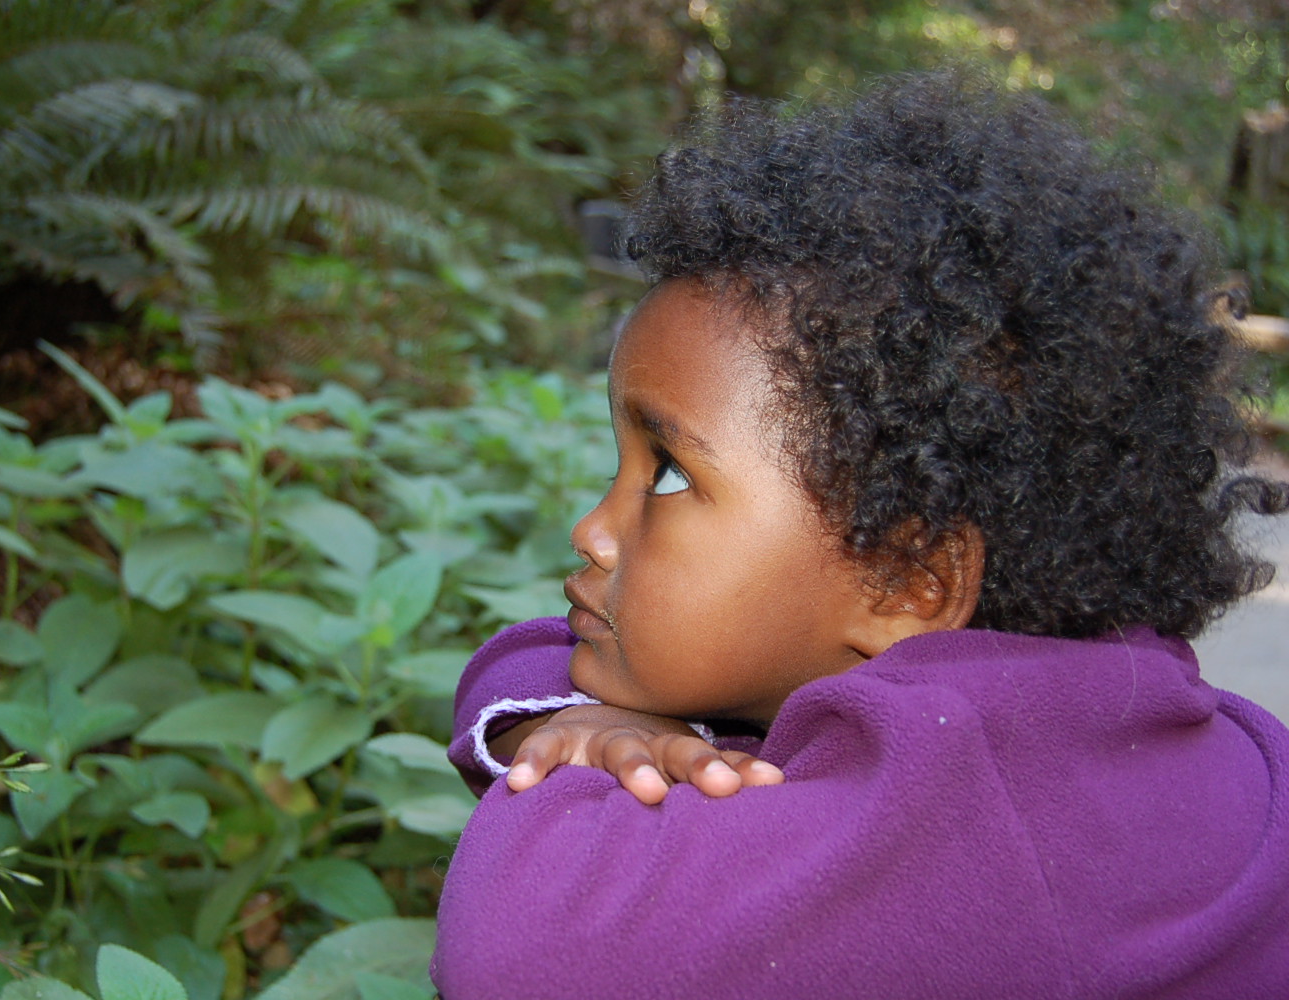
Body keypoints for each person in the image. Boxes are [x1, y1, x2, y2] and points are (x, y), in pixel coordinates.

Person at [429, 70, 1289, 999]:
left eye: (668, 473)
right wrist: (574, 726)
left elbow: (514, 950)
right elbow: (529, 665)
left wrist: (573, 766)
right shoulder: (1144, 717)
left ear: (908, 580)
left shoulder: (970, 828)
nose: (593, 528)